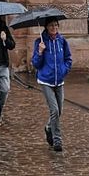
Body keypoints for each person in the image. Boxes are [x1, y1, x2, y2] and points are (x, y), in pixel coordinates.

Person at [32, 19, 72, 153]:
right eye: (51, 25)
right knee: (54, 110)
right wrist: (40, 52)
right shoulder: (40, 42)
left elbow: (68, 58)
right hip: (46, 80)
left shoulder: (62, 41)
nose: (54, 27)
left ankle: (49, 127)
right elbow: (36, 64)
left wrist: (64, 69)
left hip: (59, 80)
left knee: (59, 110)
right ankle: (57, 139)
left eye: (55, 25)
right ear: (46, 27)